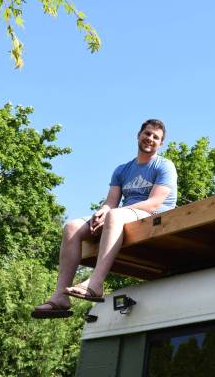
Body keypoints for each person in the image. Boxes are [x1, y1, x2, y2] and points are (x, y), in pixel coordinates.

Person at [32, 119, 177, 318]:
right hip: (123, 214)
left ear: (161, 144)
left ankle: (96, 283)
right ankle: (60, 296)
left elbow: (154, 203)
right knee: (72, 227)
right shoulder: (122, 170)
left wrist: (112, 214)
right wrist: (102, 212)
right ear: (138, 135)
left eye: (156, 137)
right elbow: (111, 202)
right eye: (147, 134)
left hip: (152, 215)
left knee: (115, 215)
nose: (150, 139)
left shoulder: (164, 166)